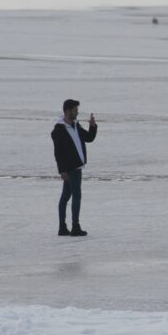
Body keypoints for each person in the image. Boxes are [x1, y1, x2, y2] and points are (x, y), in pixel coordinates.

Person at [51, 99, 98, 236]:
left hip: (77, 166)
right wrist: (62, 170)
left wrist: (93, 127)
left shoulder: (76, 125)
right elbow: (58, 153)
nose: (77, 113)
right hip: (71, 168)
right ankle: (75, 227)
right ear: (67, 111)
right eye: (75, 110)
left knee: (66, 195)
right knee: (75, 195)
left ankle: (62, 228)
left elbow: (89, 138)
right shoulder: (59, 129)